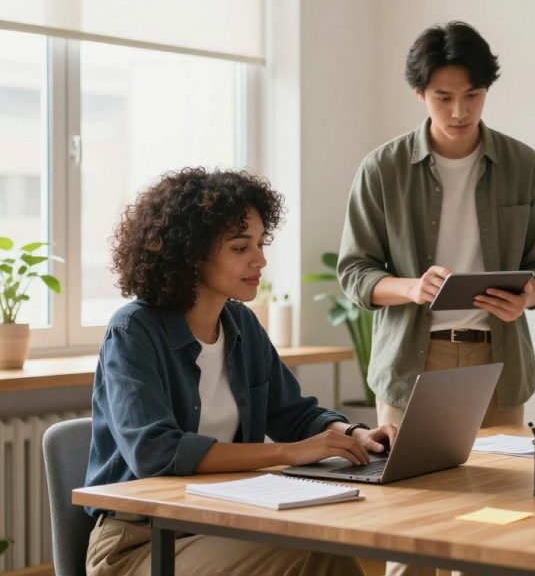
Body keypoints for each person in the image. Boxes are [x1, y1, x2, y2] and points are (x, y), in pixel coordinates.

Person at [84, 168, 398, 576]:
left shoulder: (241, 324)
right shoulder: (134, 330)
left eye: (260, 243)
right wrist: (291, 453)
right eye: (239, 247)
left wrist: (356, 436)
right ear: (191, 253)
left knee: (324, 549)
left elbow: (295, 414)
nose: (260, 259)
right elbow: (156, 452)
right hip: (140, 542)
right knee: (312, 555)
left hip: (220, 522)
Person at [337, 21, 535, 429]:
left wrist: (526, 298)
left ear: (486, 91)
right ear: (420, 94)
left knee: (502, 492)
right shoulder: (382, 169)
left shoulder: (524, 166)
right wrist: (412, 288)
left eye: (472, 95)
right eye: (443, 97)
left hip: (499, 360)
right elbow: (355, 272)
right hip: (412, 363)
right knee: (410, 492)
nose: (460, 111)